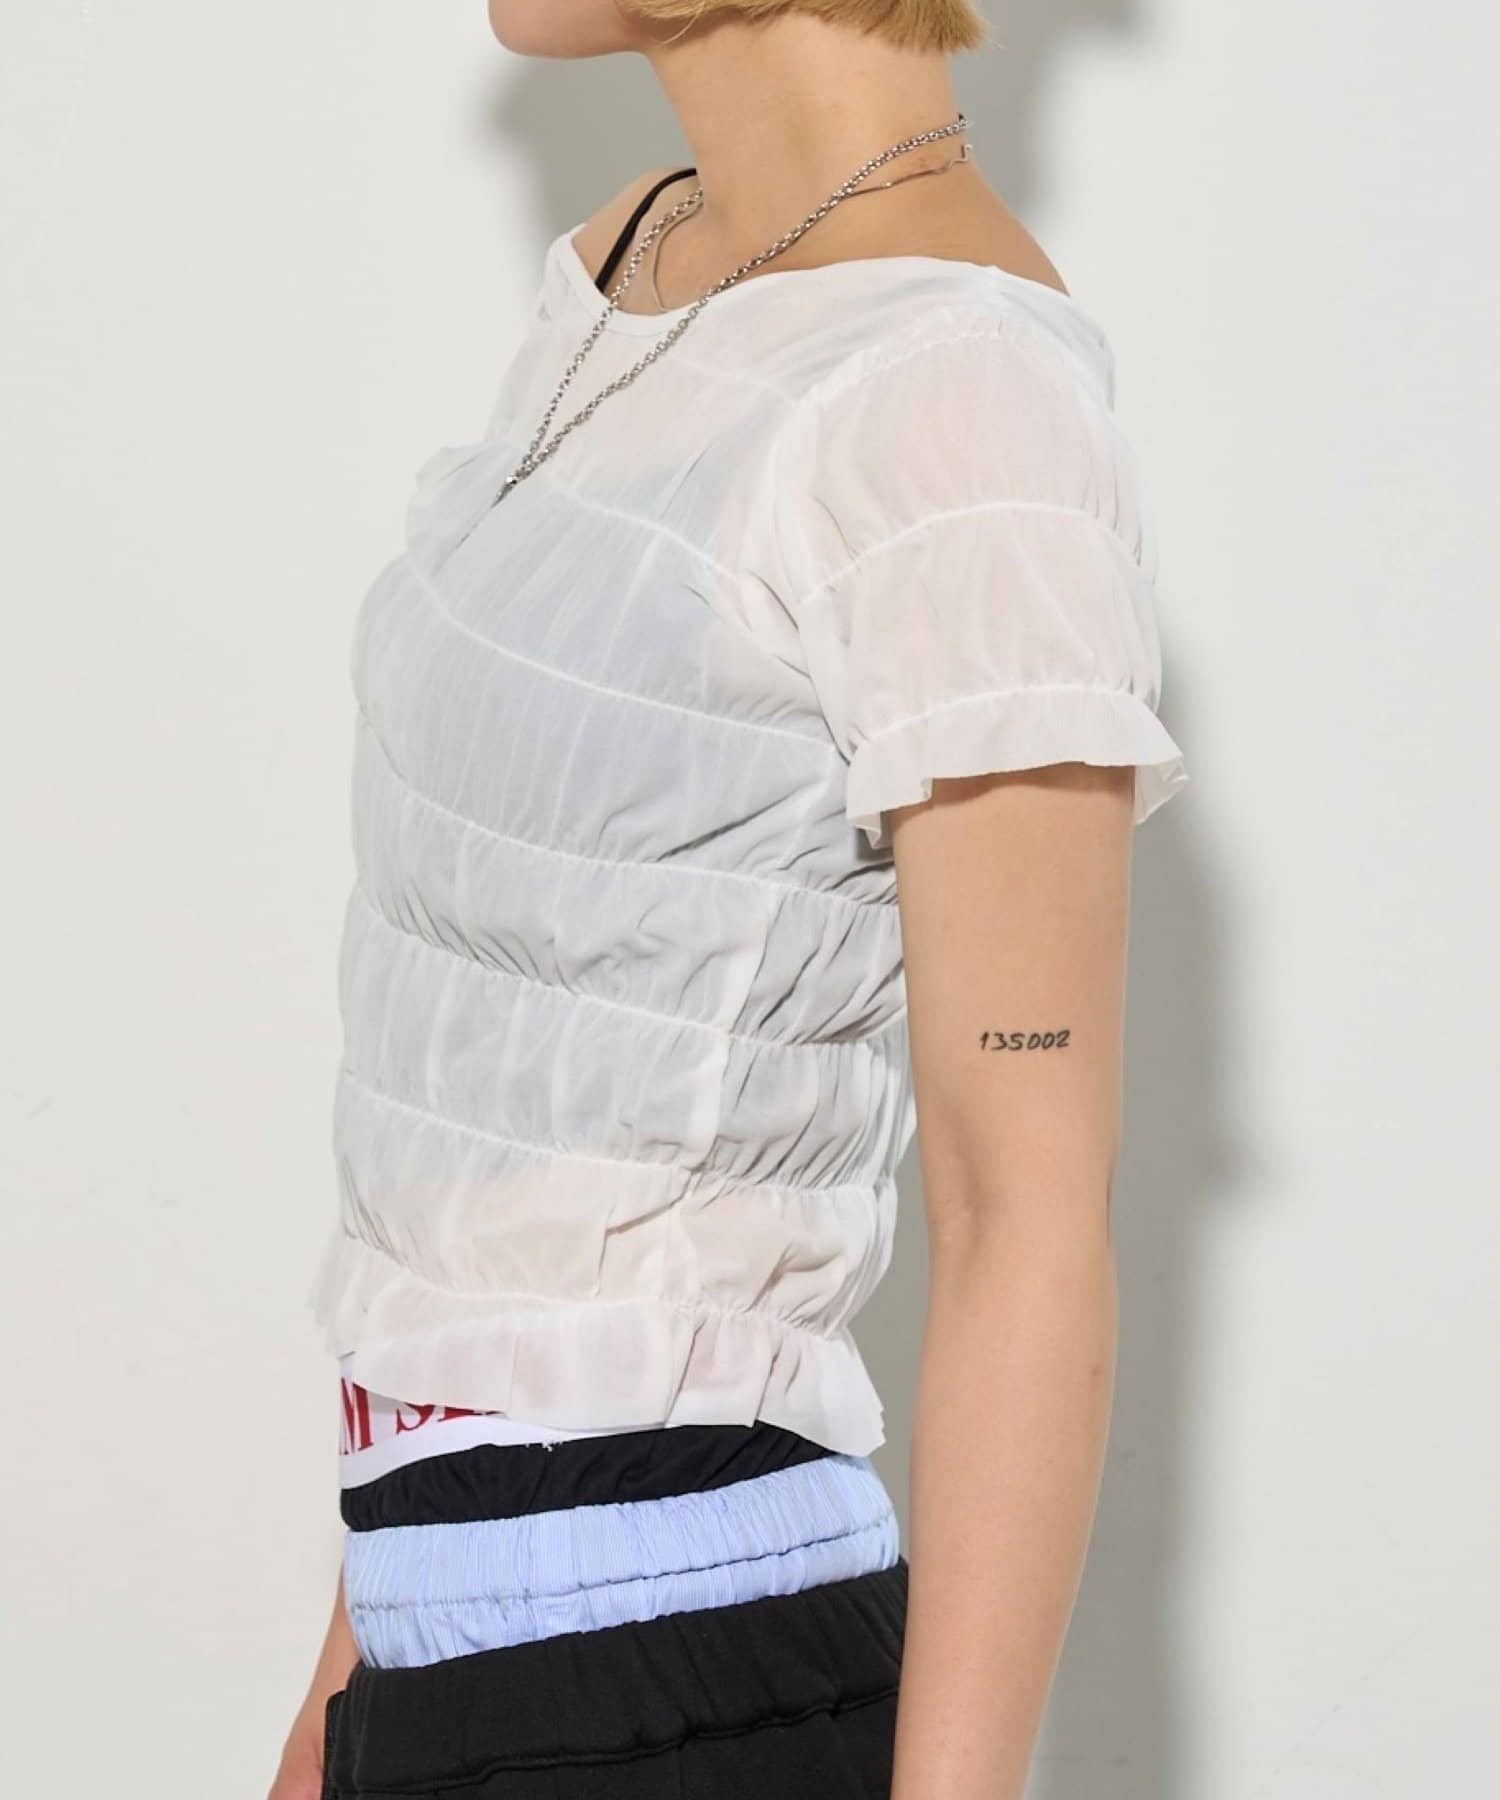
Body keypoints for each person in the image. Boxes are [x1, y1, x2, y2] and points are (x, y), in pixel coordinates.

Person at [269, 3, 1188, 1797]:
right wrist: (340, 1706)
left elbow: (1023, 1209)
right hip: (444, 1640)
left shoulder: (957, 404)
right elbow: (500, 1130)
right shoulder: (645, 263)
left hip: (671, 1678)